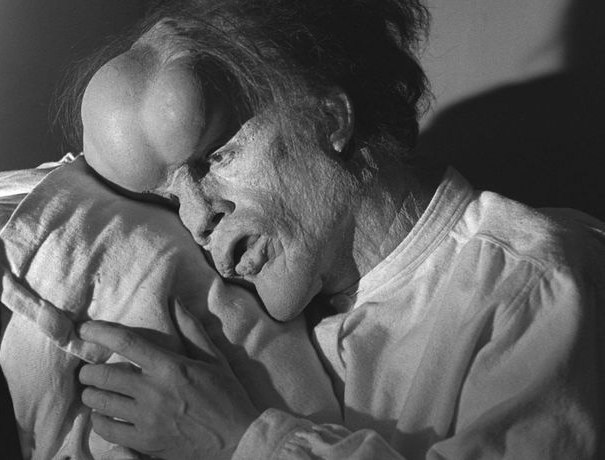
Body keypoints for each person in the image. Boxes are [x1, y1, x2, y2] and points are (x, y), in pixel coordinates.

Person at [61, 0, 604, 458]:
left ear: (329, 119)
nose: (197, 219)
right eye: (170, 197)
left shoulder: (537, 283)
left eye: (216, 157)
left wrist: (240, 441)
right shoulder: (231, 314)